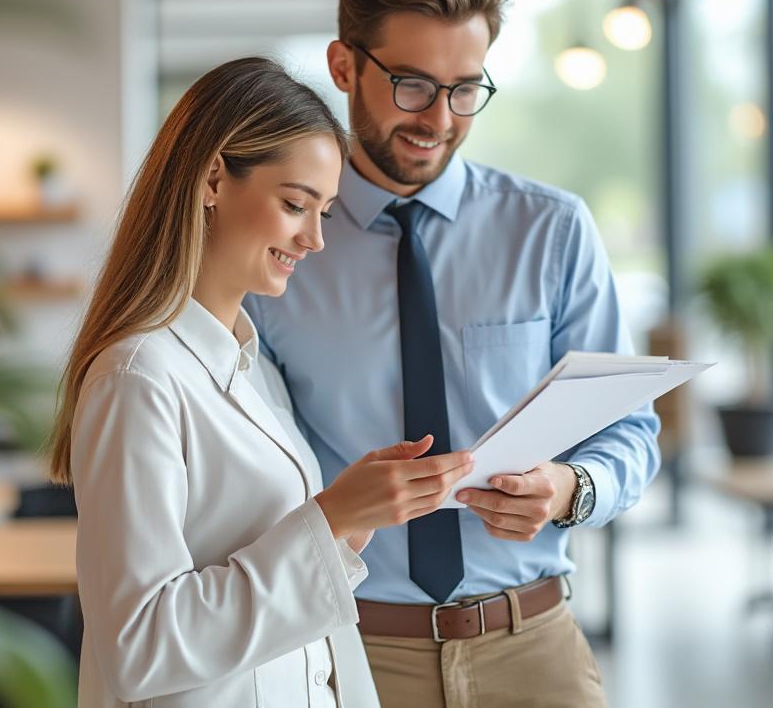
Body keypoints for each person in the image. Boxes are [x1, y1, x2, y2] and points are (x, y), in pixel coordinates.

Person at [243, 0, 662, 706]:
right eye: (412, 85)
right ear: (344, 67)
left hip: (534, 648)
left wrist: (571, 487)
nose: (438, 119)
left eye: (465, 89)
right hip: (348, 650)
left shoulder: (551, 231)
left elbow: (630, 431)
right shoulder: (279, 252)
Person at [48, 57, 475, 708]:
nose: (315, 239)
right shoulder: (138, 378)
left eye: (324, 211)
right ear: (213, 179)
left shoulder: (252, 369)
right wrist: (331, 516)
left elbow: (268, 566)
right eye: (295, 205)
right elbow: (141, 645)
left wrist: (352, 520)